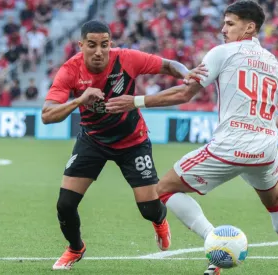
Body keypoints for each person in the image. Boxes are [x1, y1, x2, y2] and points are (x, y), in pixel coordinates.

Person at [105, 1, 278, 275]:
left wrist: (136, 100)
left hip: (228, 147)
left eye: (230, 23)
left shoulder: (222, 53)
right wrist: (262, 122)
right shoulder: (276, 66)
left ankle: (218, 244)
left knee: (162, 189)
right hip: (265, 149)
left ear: (249, 27)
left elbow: (183, 94)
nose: (223, 29)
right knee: (276, 202)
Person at [42, 20, 203, 270]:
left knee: (149, 209)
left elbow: (170, 65)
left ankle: (160, 222)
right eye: (92, 45)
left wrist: (186, 73)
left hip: (133, 142)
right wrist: (80, 100)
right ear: (81, 45)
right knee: (65, 204)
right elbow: (47, 115)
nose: (98, 51)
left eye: (104, 45)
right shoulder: (70, 70)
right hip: (92, 140)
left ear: (110, 44)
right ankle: (76, 248)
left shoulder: (127, 59)